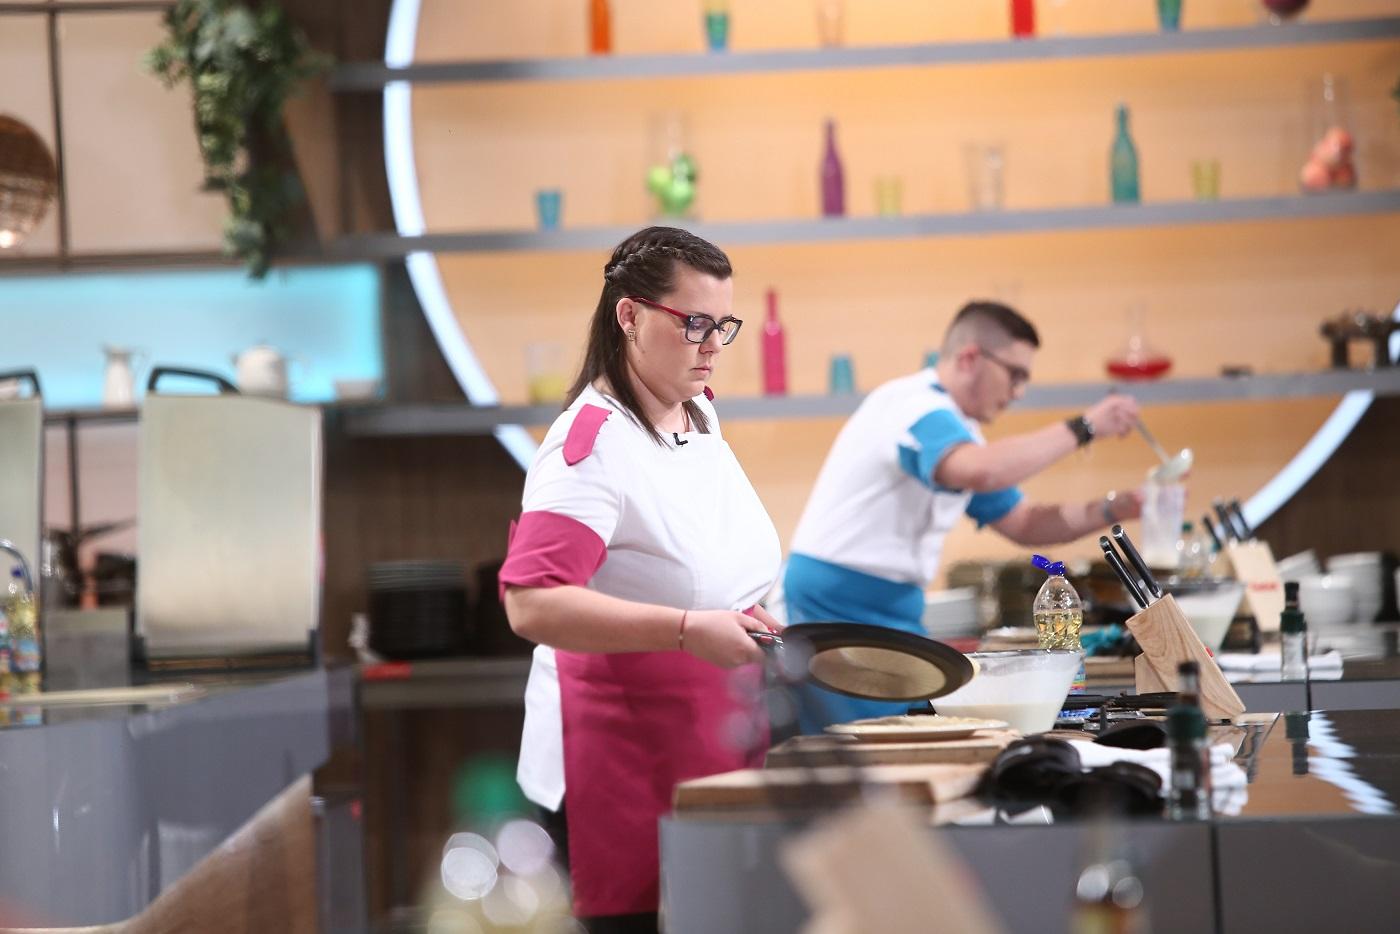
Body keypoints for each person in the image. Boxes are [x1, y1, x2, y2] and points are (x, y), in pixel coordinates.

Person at [498, 226, 783, 933]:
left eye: (723, 325)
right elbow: (531, 603)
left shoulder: (698, 412)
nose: (712, 346)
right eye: (693, 324)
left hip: (711, 739)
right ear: (629, 315)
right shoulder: (589, 448)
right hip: (623, 762)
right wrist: (686, 631)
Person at [784, 300, 1142, 732]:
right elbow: (982, 470)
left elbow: (1026, 522)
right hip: (837, 608)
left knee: (894, 741)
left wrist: (1117, 507)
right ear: (970, 358)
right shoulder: (915, 407)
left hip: (890, 609)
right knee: (860, 750)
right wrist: (1085, 427)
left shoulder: (959, 433)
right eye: (1015, 374)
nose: (1018, 391)